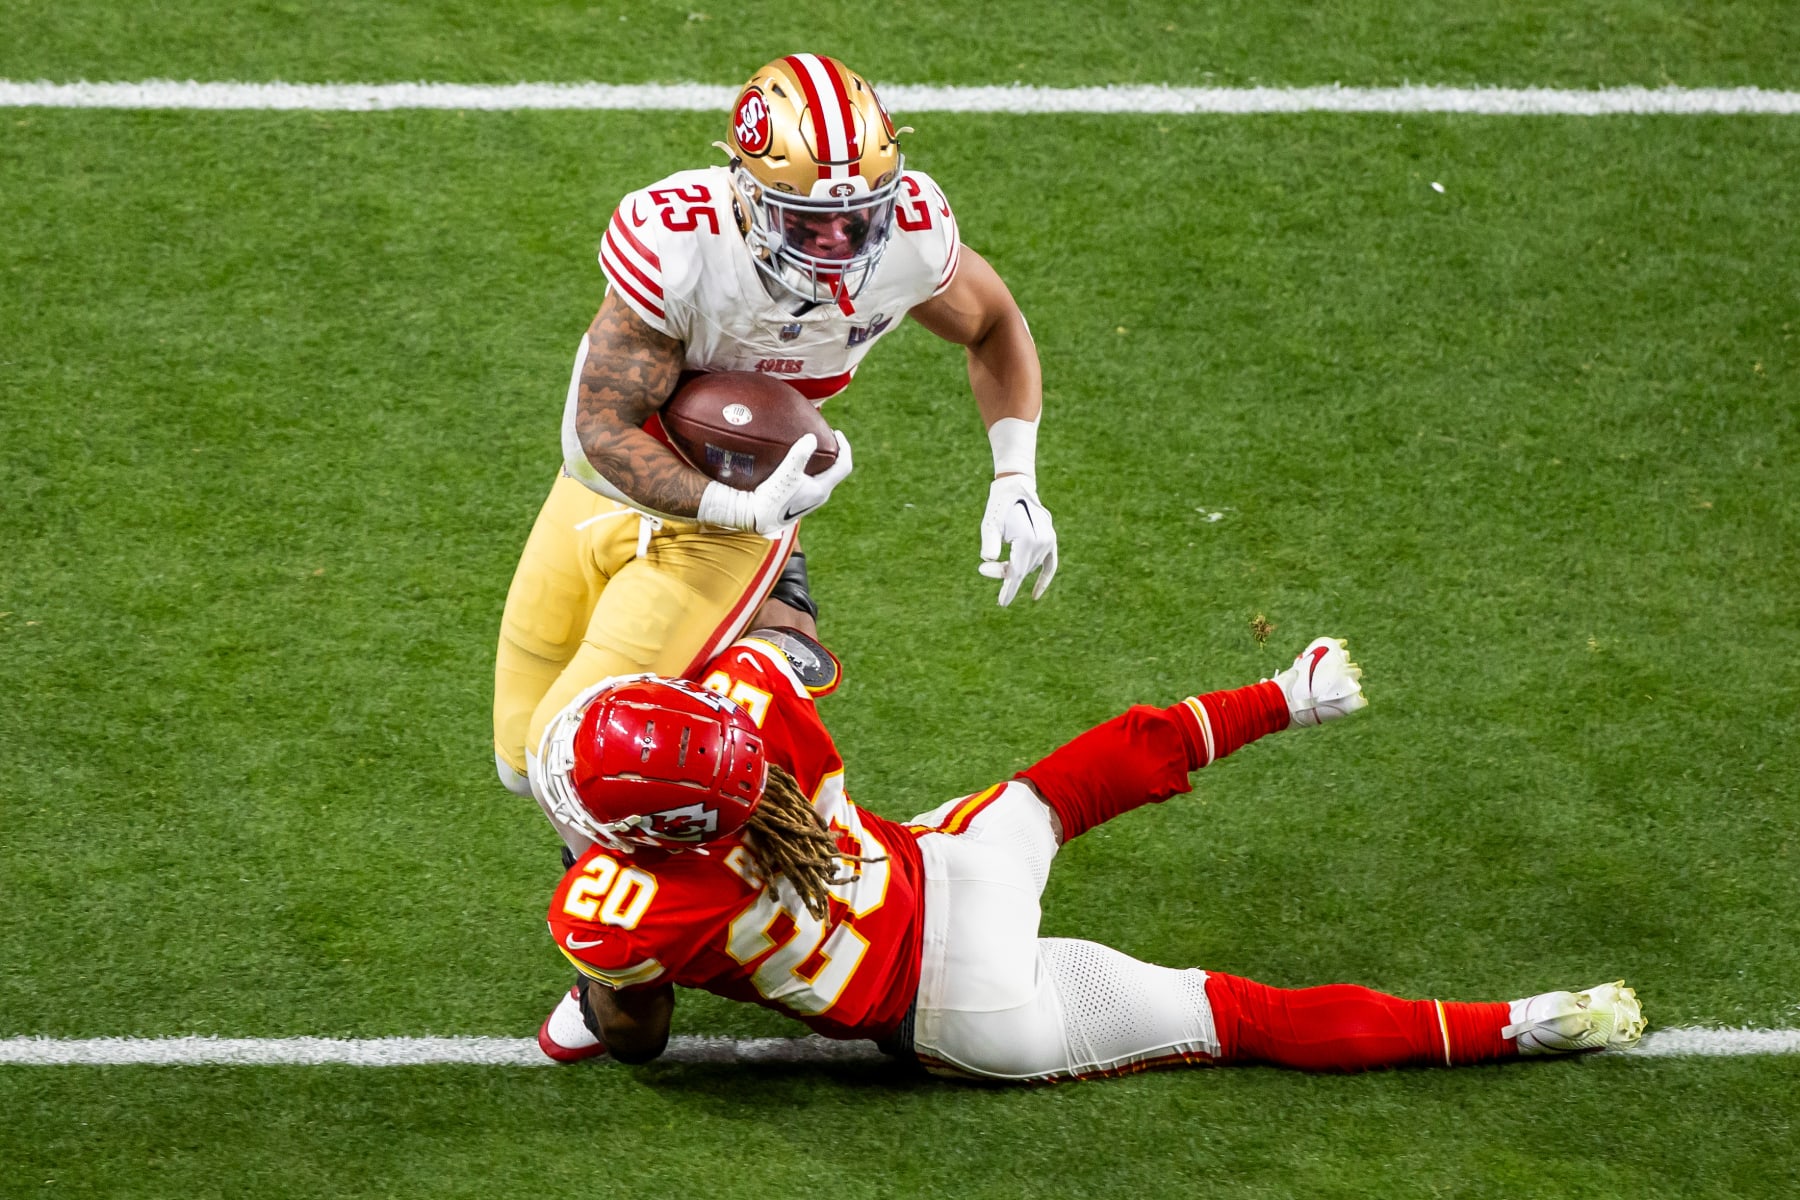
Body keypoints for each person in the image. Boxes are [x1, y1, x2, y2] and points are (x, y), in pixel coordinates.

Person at [532, 635, 1646, 1081]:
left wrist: (602, 993)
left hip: (957, 1011)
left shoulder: (616, 905)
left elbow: (641, 1039)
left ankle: (1528, 1022)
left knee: (1236, 1016)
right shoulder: (750, 697)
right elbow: (780, 644)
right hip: (949, 870)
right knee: (1059, 789)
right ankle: (1292, 692)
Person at [494, 53, 1056, 801]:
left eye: (861, 215)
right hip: (607, 487)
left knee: (569, 761)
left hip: (727, 531)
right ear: (745, 193)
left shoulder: (913, 236)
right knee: (519, 765)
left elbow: (993, 322)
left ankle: (730, 845)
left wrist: (1015, 476)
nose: (840, 244)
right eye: (809, 222)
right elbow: (598, 432)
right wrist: (737, 504)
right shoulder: (680, 241)